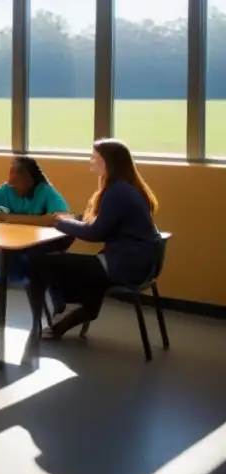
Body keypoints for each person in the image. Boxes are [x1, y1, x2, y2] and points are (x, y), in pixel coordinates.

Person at [27, 139, 160, 339]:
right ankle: (63, 320)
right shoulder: (127, 188)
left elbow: (95, 233)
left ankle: (50, 314)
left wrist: (58, 222)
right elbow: (100, 224)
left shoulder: (117, 192)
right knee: (82, 273)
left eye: (94, 157)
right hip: (139, 263)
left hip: (124, 266)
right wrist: (74, 220)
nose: (90, 161)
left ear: (108, 162)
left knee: (37, 262)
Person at [0, 156, 69, 226]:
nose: (13, 186)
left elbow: (59, 220)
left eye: (17, 182)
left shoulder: (46, 191)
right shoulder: (7, 189)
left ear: (30, 180)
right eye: (11, 183)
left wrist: (5, 217)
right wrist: (5, 217)